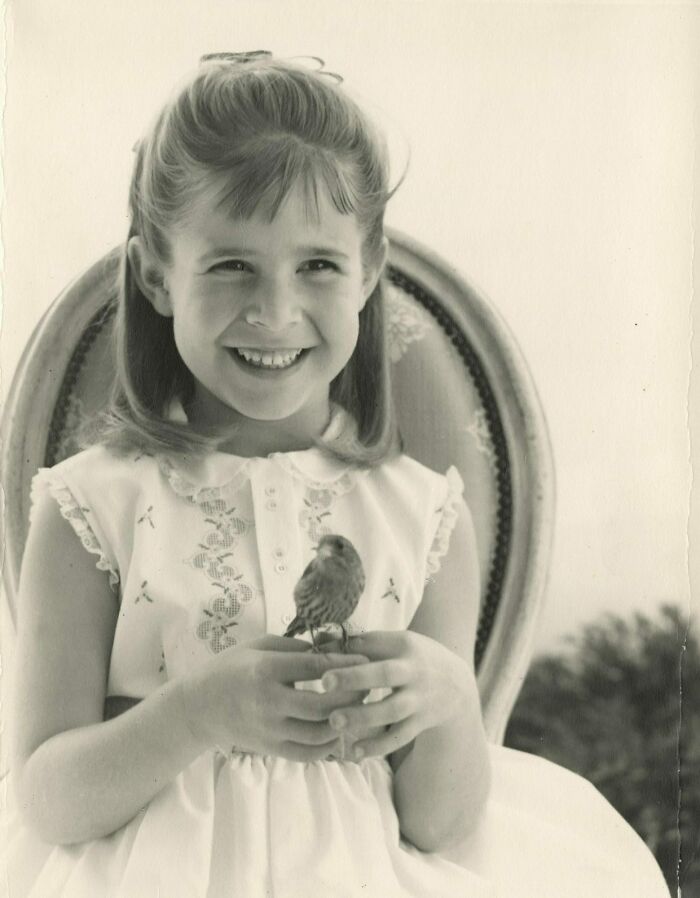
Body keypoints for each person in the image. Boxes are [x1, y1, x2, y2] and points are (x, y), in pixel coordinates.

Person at [3, 53, 670, 897]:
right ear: (156, 274)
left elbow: (442, 825)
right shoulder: (91, 505)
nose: (275, 311)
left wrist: (450, 705)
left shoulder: (423, 517)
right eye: (230, 265)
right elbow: (48, 799)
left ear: (368, 271)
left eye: (317, 265)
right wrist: (195, 711)